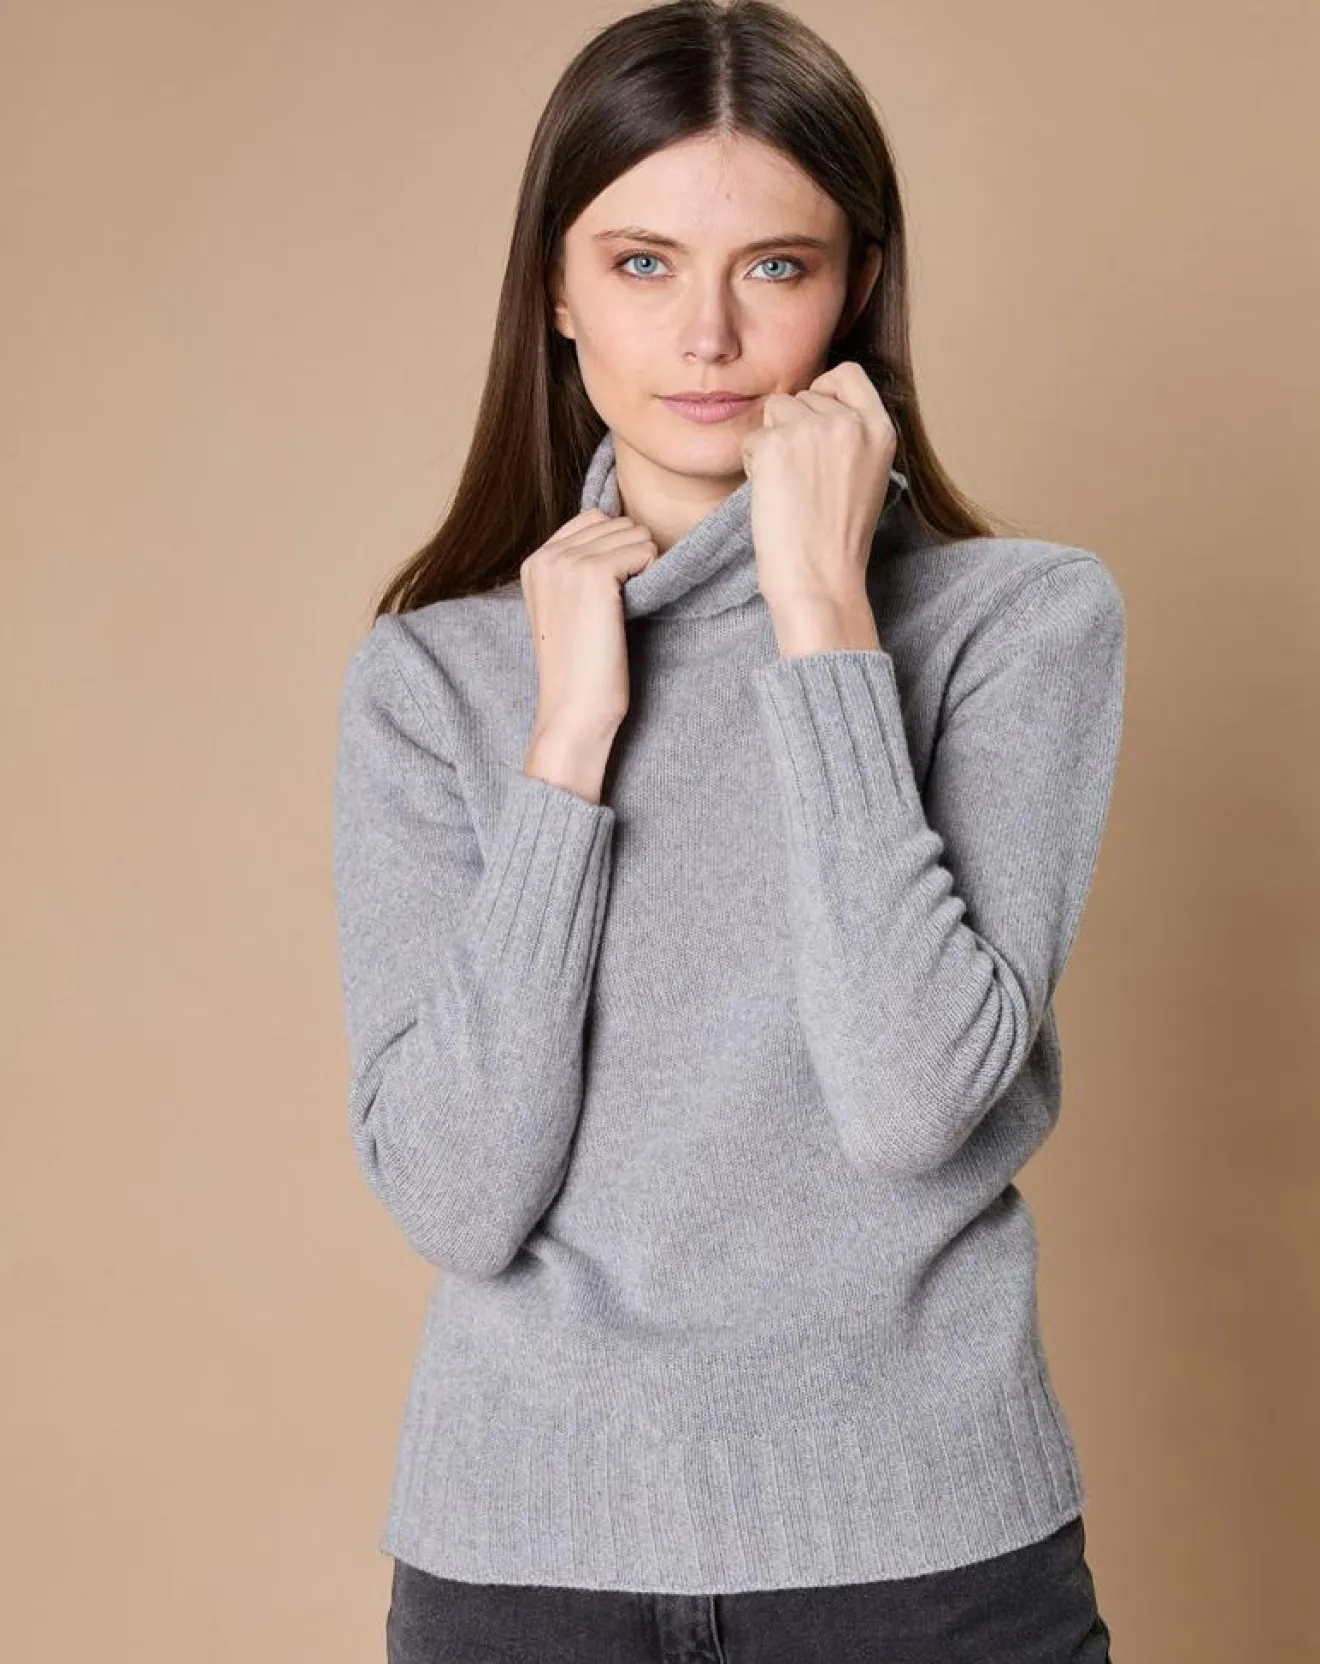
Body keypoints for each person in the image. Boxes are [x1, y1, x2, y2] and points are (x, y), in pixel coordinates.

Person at [332, 2, 1124, 1658]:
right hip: (522, 1567)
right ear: (555, 290)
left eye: (774, 265)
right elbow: (460, 1199)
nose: (706, 335)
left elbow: (912, 1099)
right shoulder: (436, 679)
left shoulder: (1020, 626)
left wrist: (822, 618)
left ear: (856, 289)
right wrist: (567, 747)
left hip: (928, 1558)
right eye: (641, 264)